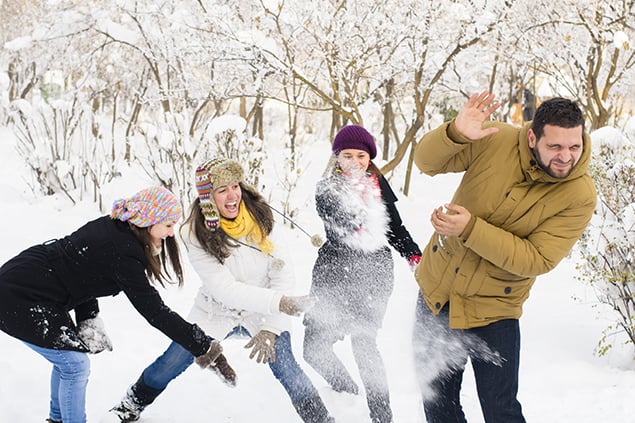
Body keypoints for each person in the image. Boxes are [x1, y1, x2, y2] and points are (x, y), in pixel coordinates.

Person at [411, 90, 597, 422]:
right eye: (554, 146)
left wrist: (470, 229)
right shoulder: (496, 141)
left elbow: (537, 258)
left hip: (495, 311)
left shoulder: (579, 194)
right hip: (437, 296)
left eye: (574, 146)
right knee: (437, 403)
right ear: (531, 137)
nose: (565, 157)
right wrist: (455, 134)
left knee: (501, 411)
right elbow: (426, 163)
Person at [111, 157, 333, 423]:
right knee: (172, 360)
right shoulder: (193, 232)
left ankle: (322, 420)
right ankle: (129, 406)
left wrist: (272, 326)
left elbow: (282, 272)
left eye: (235, 186)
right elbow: (224, 289)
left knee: (287, 368)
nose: (232, 196)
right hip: (216, 310)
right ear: (208, 198)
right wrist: (281, 303)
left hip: (264, 310)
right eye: (222, 190)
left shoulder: (261, 218)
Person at [0, 186, 233, 423]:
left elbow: (82, 270)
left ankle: (58, 419)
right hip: (20, 293)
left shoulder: (115, 228)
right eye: (169, 224)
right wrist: (204, 346)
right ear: (149, 220)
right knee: (74, 365)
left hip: (34, 282)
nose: (172, 233)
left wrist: (87, 319)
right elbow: (155, 312)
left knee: (69, 360)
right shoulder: (125, 252)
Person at [302, 125, 422, 423]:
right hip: (334, 271)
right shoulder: (326, 189)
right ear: (336, 158)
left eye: (361, 155)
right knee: (313, 348)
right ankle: (346, 391)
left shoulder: (379, 186)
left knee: (364, 342)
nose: (354, 161)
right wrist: (363, 203)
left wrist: (413, 254)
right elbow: (342, 222)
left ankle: (383, 417)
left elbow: (394, 229)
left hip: (373, 272)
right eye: (347, 155)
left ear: (369, 158)